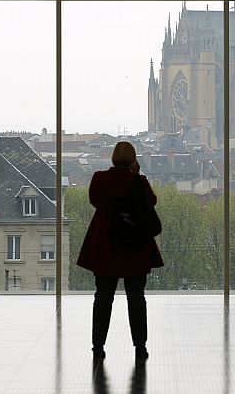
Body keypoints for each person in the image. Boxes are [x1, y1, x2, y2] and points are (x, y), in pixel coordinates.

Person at [77, 141, 164, 360]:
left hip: (106, 244)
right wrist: (137, 174)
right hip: (135, 246)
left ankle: (98, 346)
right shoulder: (139, 181)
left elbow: (94, 200)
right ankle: (140, 346)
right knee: (136, 297)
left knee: (103, 297)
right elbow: (151, 202)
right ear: (133, 159)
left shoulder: (99, 179)